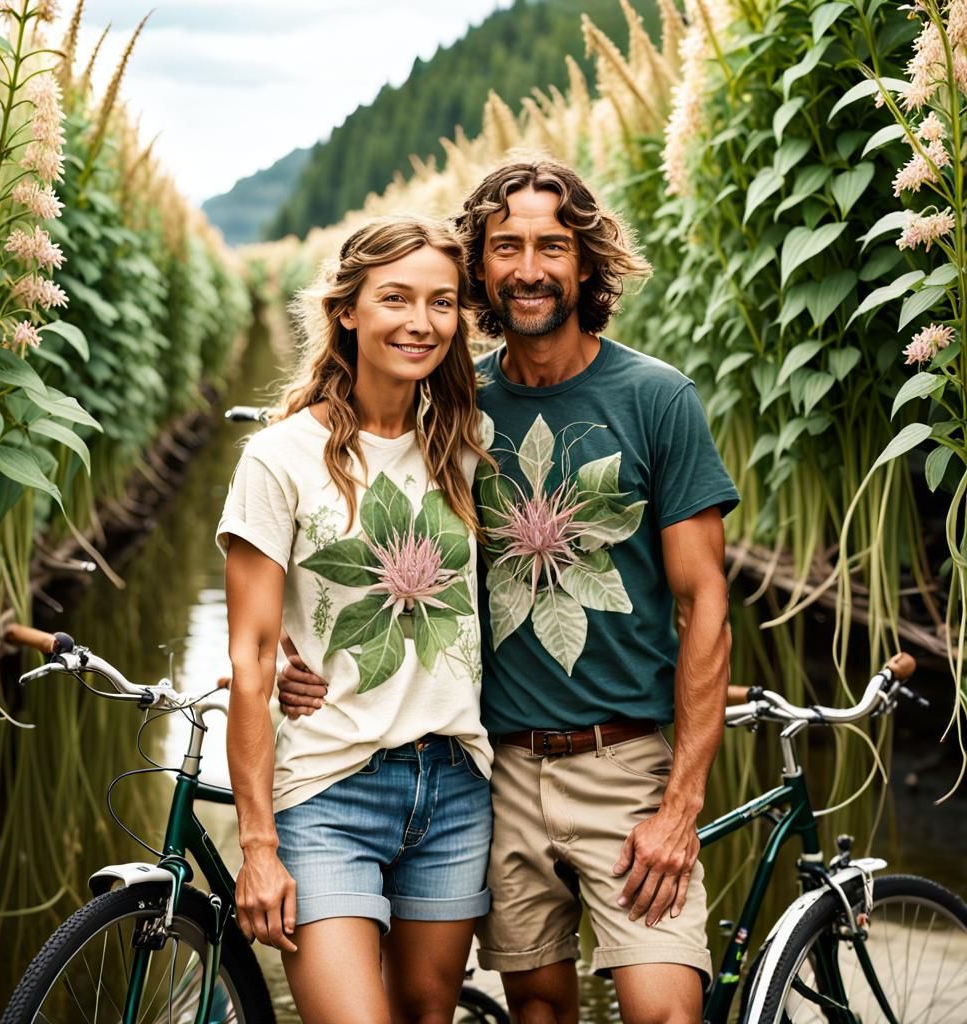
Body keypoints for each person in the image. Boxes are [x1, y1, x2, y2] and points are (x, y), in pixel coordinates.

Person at [279, 161, 739, 1024]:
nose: (530, 268)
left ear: (586, 263)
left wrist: (681, 806)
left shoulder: (656, 398)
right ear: (479, 268)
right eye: (506, 248)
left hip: (625, 764)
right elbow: (339, 522)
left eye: (552, 247)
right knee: (534, 1007)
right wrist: (284, 652)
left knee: (667, 1011)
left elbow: (704, 605)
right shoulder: (453, 402)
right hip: (495, 771)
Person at [218, 216, 496, 1024]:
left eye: (441, 302)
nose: (421, 322)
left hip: (455, 787)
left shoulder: (470, 444)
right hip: (330, 791)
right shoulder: (279, 458)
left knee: (427, 1016)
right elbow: (251, 657)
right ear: (347, 309)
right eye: (395, 298)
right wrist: (258, 847)